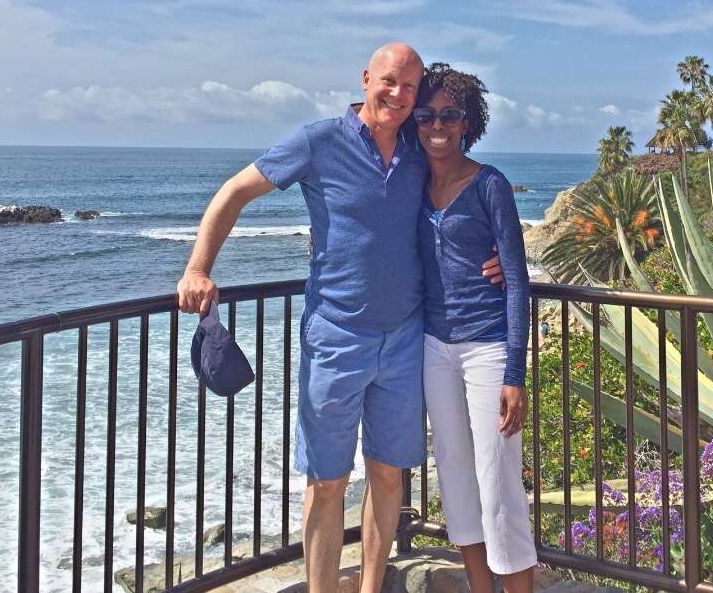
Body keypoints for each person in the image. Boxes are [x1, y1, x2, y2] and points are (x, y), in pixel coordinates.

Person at [176, 44, 501, 593]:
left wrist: (489, 252)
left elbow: (457, 194)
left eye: (409, 89)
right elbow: (235, 191)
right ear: (366, 78)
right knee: (327, 483)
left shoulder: (418, 149)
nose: (399, 97)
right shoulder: (319, 141)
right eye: (389, 83)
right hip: (336, 337)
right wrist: (198, 268)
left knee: (387, 475)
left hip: (404, 339)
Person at [415, 63, 537, 593]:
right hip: (432, 347)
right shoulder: (411, 182)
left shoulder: (490, 185)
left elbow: (517, 281)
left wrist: (515, 370)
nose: (437, 125)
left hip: (487, 347)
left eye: (450, 114)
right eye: (426, 114)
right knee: (455, 475)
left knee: (498, 479)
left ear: (469, 121)